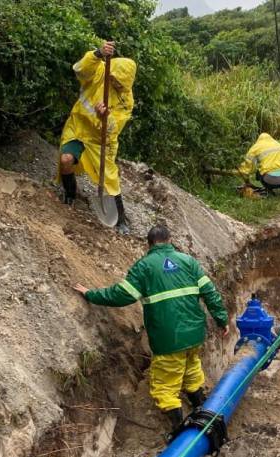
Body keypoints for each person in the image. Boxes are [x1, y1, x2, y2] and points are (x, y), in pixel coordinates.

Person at [73, 224, 229, 434]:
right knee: (192, 367)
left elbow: (121, 295)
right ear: (170, 239)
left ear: (149, 244)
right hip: (194, 333)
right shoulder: (188, 261)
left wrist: (91, 294)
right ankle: (200, 404)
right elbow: (211, 293)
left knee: (165, 385)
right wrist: (222, 320)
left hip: (168, 339)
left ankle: (179, 430)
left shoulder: (144, 266)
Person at [59, 40, 136, 234]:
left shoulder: (126, 100)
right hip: (77, 128)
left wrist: (105, 117)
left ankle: (120, 219)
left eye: (120, 82)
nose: (115, 83)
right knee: (66, 160)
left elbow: (115, 126)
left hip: (100, 141)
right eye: (114, 79)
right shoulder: (101, 70)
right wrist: (97, 54)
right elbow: (79, 69)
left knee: (109, 178)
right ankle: (69, 193)